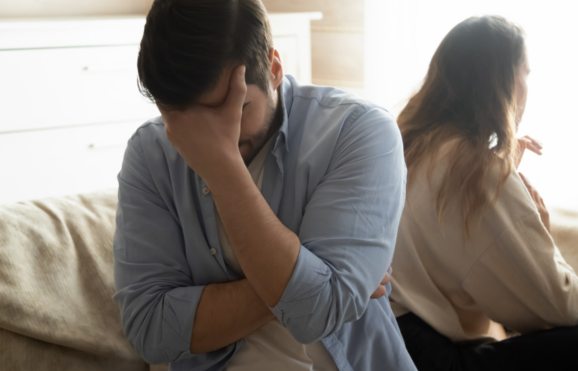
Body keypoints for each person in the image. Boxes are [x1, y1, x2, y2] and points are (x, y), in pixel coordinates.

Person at [112, 0, 415, 370]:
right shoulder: (150, 154)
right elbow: (150, 332)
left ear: (273, 68)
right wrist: (315, 281)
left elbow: (317, 315)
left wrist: (222, 169)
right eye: (190, 122)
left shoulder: (358, 132)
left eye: (236, 108)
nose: (215, 136)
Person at [390, 15, 578, 371]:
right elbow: (564, 310)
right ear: (502, 80)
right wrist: (541, 228)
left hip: (385, 339)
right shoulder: (475, 169)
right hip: (435, 359)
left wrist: (500, 171)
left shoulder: (405, 145)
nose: (528, 86)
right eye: (526, 73)